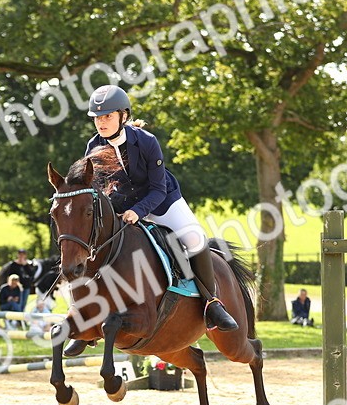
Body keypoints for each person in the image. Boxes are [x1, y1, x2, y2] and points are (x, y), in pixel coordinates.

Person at [63, 84, 237, 357]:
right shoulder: (93, 146)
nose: (101, 122)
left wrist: (138, 211)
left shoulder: (146, 141)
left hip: (162, 201)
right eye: (97, 118)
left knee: (195, 238)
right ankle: (87, 323)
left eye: (107, 116)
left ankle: (212, 303)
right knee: (94, 246)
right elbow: (97, 189)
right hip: (122, 208)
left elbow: (157, 188)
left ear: (123, 115)